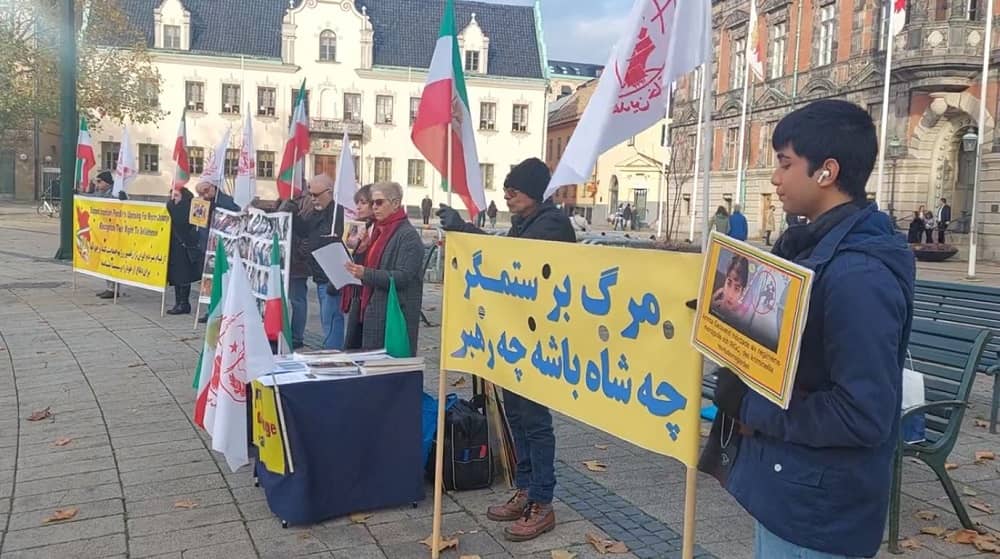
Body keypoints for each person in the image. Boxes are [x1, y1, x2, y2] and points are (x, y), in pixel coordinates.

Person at [705, 99, 914, 558]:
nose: (775, 178)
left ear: (827, 171)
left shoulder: (858, 274)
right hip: (792, 491)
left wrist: (751, 407)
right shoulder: (810, 248)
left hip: (819, 513)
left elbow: (862, 414)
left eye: (785, 163)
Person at [437, 157, 575, 542]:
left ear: (532, 191)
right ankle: (527, 487)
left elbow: (512, 260)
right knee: (516, 416)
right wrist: (464, 232)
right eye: (506, 191)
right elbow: (504, 256)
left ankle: (542, 501)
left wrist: (468, 233)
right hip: (515, 337)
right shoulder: (523, 223)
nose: (507, 197)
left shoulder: (552, 224)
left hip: (541, 339)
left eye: (513, 191)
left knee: (535, 421)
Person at [343, 182, 424, 353]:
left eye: (379, 202)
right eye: (372, 203)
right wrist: (361, 252)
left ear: (395, 204)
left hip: (392, 315)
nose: (374, 207)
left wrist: (366, 273)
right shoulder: (378, 230)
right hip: (371, 311)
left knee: (385, 370)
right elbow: (367, 266)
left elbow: (403, 277)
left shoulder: (407, 235)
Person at [295, 174, 346, 349]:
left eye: (316, 195)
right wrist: (293, 214)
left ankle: (332, 354)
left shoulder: (337, 212)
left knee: (332, 320)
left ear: (329, 192)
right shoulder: (316, 212)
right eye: (310, 194)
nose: (313, 199)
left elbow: (335, 241)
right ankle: (331, 352)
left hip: (332, 276)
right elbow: (304, 230)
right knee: (328, 319)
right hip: (320, 274)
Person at [194, 179, 240, 322]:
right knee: (209, 281)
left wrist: (215, 204)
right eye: (200, 193)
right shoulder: (202, 202)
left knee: (222, 281)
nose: (203, 195)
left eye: (205, 191)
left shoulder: (225, 200)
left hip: (222, 248)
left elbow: (234, 213)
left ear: (213, 188)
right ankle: (210, 310)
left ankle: (224, 311)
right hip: (206, 246)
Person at [341, 185, 375, 350]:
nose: (358, 207)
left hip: (366, 292)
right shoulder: (358, 227)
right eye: (357, 202)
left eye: (363, 202)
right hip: (356, 293)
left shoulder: (374, 230)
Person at [282, 192, 313, 349]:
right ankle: (283, 331)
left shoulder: (309, 203)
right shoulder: (284, 200)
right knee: (284, 299)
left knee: (297, 300)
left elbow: (307, 231)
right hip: (285, 261)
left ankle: (297, 336)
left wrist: (301, 253)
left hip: (297, 264)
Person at [92, 170, 129, 299]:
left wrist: (123, 199)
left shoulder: (116, 193)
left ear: (106, 182)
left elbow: (126, 208)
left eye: (99, 181)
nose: (97, 184)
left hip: (114, 233)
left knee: (113, 260)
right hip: (102, 232)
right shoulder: (99, 193)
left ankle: (114, 289)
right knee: (105, 260)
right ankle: (109, 287)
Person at [165, 187, 200, 314]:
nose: (173, 199)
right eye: (171, 195)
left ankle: (184, 303)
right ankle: (178, 302)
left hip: (185, 246)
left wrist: (170, 205)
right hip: (175, 245)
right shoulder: (174, 206)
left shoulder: (188, 207)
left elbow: (180, 221)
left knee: (183, 275)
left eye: (176, 195)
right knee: (176, 275)